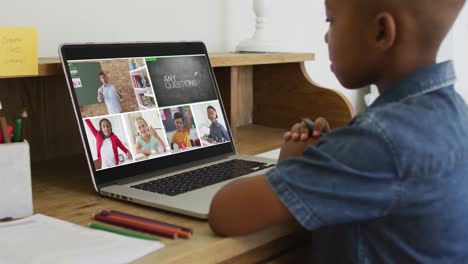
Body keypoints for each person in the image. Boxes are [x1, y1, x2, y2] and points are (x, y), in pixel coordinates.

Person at [209, 0, 468, 263]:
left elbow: (225, 213)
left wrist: (293, 165)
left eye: (330, 21)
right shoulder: (456, 113)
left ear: (381, 32)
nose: (325, 36)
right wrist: (332, 155)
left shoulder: (379, 140)